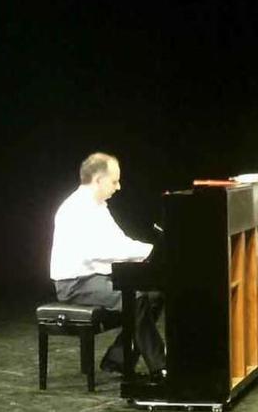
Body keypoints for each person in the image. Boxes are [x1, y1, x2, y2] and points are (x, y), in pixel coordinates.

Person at [49, 153, 166, 379]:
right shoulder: (77, 209)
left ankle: (119, 359)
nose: (119, 187)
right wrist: (150, 252)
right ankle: (160, 367)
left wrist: (149, 251)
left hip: (96, 277)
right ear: (98, 180)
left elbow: (118, 241)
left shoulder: (98, 206)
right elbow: (102, 251)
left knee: (153, 295)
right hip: (75, 284)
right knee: (137, 298)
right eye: (114, 181)